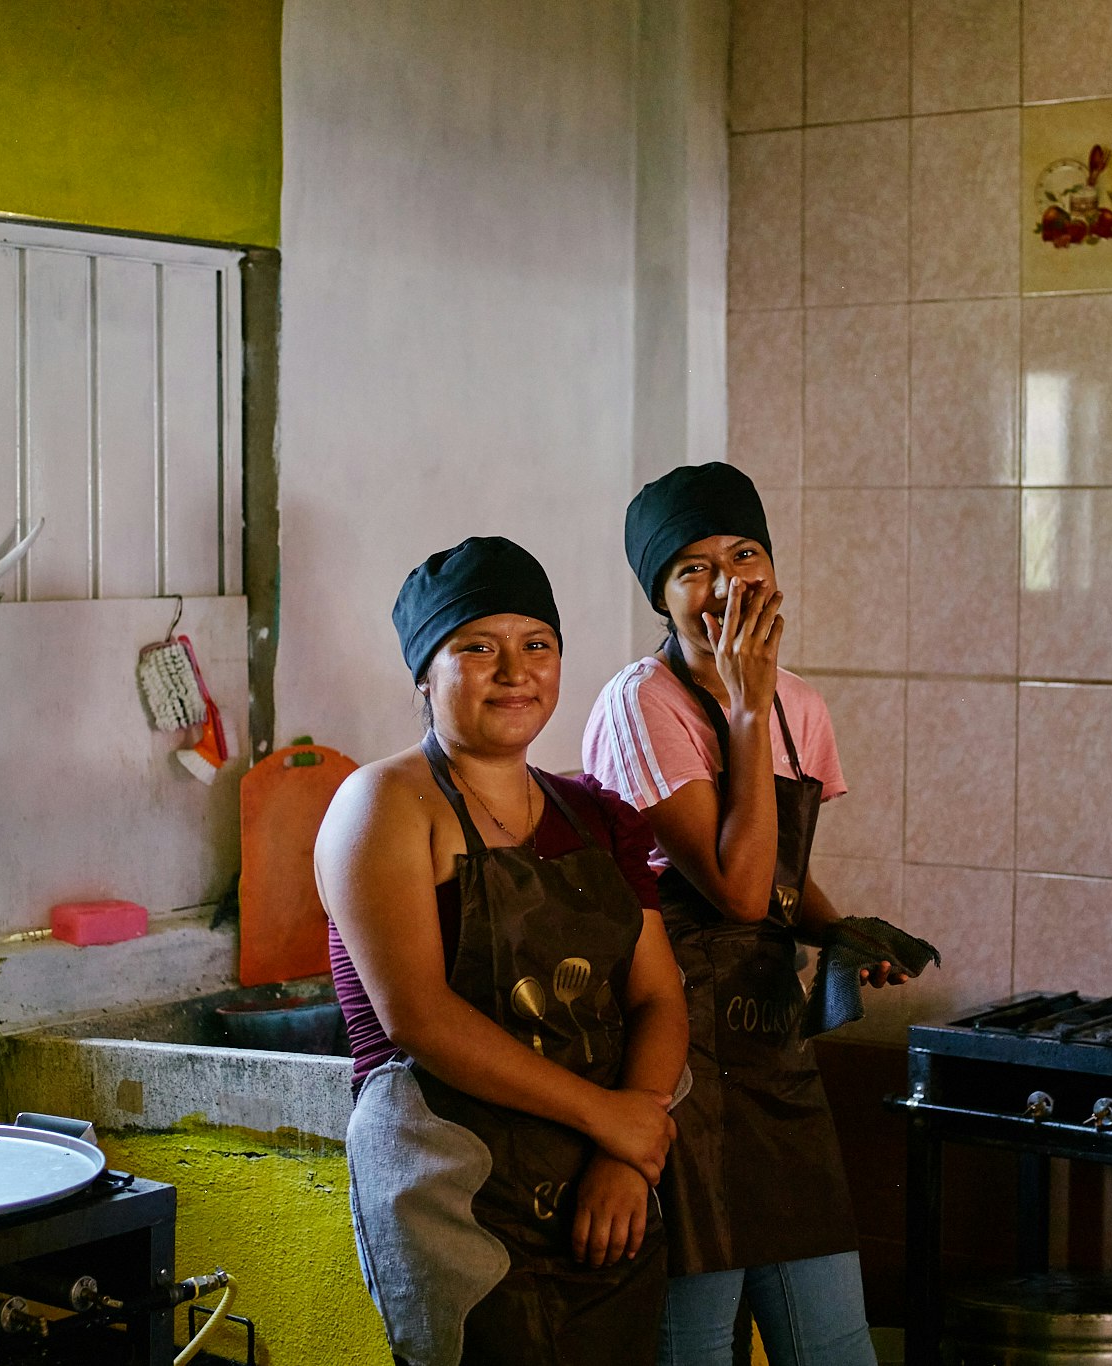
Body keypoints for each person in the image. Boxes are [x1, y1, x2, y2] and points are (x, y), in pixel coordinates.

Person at [318, 535, 690, 1366]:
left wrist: (626, 1159)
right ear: (425, 671)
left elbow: (658, 998)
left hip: (603, 1191)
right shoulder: (382, 804)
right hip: (454, 1191)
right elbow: (416, 1014)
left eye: (537, 646)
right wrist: (612, 1121)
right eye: (477, 648)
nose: (514, 671)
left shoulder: (596, 817)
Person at [582, 463, 903, 1366]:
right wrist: (746, 707)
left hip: (769, 1048)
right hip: (671, 1048)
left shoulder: (800, 703)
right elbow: (730, 891)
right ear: (661, 596)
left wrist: (839, 933)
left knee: (834, 1341)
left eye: (743, 554)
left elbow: (778, 885)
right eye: (690, 568)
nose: (724, 585)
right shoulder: (640, 704)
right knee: (694, 1343)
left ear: (774, 570)